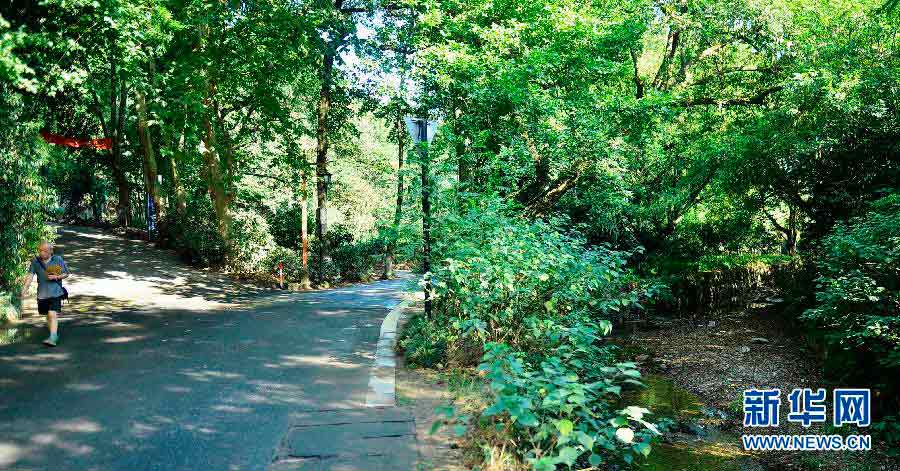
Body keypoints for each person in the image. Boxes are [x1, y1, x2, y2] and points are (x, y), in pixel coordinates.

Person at [20, 241, 70, 346]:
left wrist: (56, 277)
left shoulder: (57, 259)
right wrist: (25, 288)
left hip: (55, 293)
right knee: (47, 315)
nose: (42, 253)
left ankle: (53, 337)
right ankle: (53, 333)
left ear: (51, 251)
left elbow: (66, 273)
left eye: (45, 251)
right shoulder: (36, 262)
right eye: (40, 251)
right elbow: (30, 276)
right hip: (42, 294)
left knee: (52, 314)